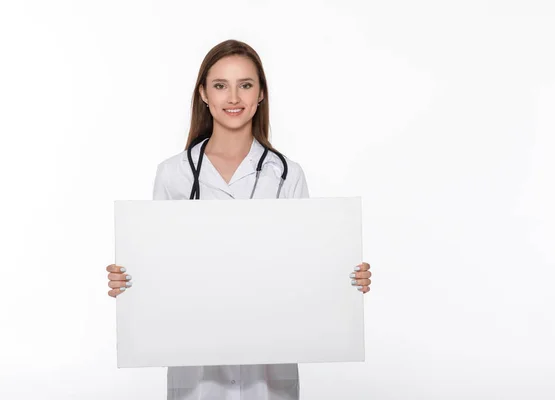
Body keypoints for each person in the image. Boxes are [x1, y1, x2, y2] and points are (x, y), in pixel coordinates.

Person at [105, 39, 372, 400]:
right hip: (197, 375)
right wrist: (132, 280)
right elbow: (161, 270)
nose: (233, 98)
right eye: (220, 85)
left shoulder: (286, 175)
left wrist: (344, 278)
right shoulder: (173, 174)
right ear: (203, 94)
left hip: (268, 376)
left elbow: (305, 268)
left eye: (245, 85)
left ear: (261, 93)